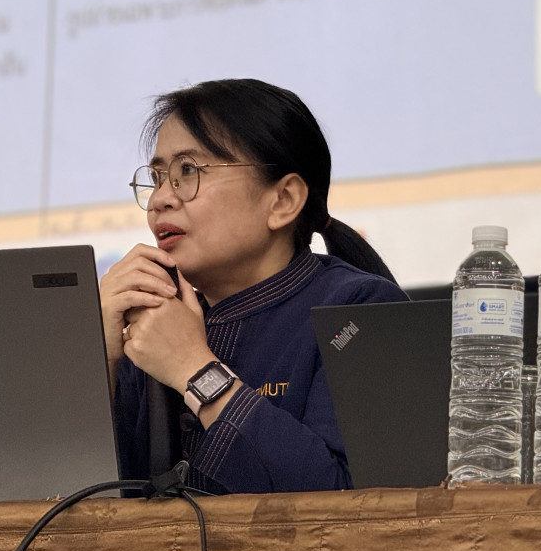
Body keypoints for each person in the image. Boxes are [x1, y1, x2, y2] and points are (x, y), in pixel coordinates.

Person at [99, 78, 408, 494]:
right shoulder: (149, 326)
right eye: (157, 177)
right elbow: (60, 504)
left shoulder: (360, 309)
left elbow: (349, 506)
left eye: (188, 171)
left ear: (283, 201)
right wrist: (98, 358)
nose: (159, 201)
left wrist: (194, 369)